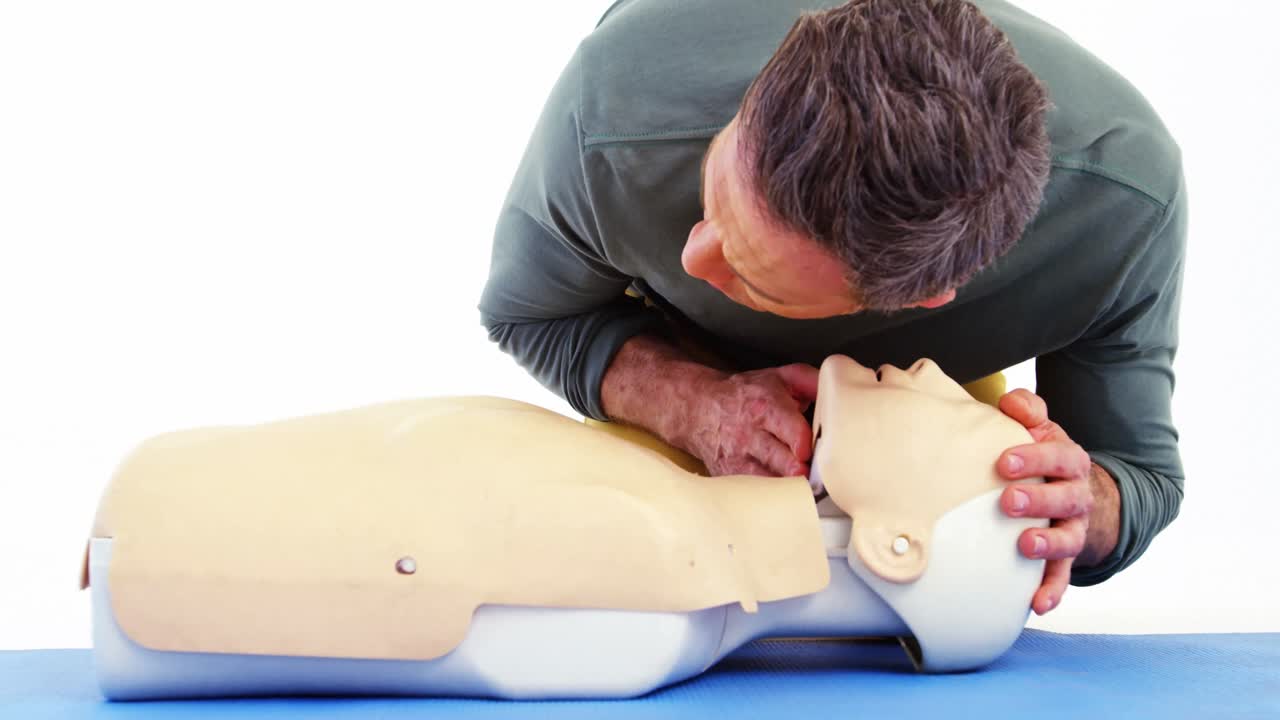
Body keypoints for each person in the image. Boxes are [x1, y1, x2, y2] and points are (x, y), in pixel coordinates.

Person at [476, 0, 1186, 616]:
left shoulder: (1126, 210)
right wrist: (690, 403)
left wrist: (1078, 503)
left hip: (925, 409)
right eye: (714, 191)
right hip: (678, 362)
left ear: (920, 298)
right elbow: (531, 315)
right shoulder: (614, 101)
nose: (692, 259)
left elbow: (1138, 472)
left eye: (755, 279)